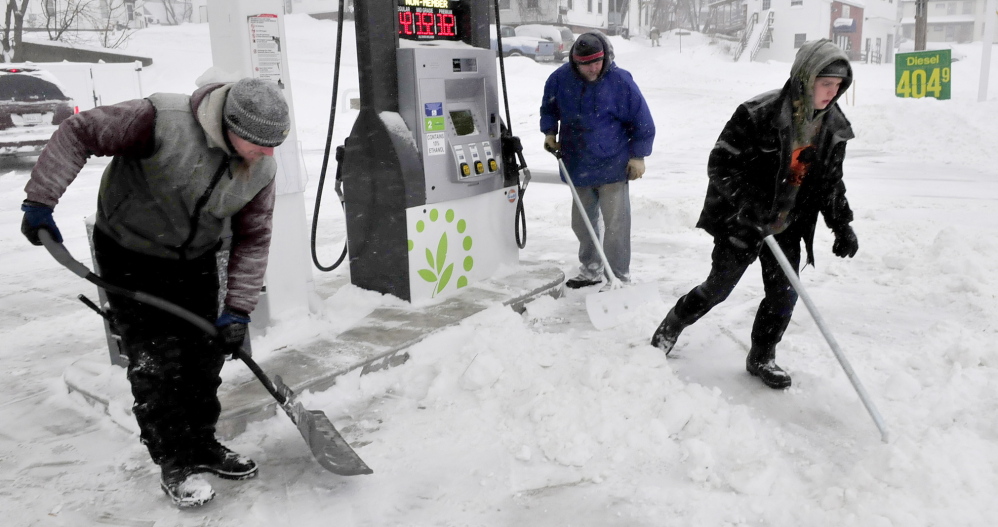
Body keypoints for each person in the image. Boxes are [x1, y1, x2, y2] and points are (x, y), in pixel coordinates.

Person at [19, 77, 290, 507]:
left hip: (195, 258)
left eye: (275, 144)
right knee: (156, 362)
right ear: (228, 124)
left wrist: (238, 310)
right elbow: (80, 131)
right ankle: (175, 462)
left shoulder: (262, 170)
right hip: (130, 252)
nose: (267, 153)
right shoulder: (161, 119)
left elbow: (254, 238)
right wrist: (40, 201)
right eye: (259, 142)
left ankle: (202, 445)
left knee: (203, 358)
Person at [649, 39, 859, 389]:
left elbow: (830, 183)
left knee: (784, 295)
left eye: (838, 86)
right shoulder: (758, 113)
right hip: (742, 221)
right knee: (718, 288)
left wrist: (842, 225)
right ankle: (673, 324)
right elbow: (721, 164)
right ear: (806, 78)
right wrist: (749, 205)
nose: (831, 93)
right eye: (825, 84)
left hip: (787, 224)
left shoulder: (833, 126)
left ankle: (762, 355)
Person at [540, 31, 656, 289]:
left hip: (613, 164)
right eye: (586, 64)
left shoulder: (620, 81)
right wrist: (550, 133)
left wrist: (638, 157)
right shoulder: (560, 79)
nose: (592, 68)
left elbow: (642, 121)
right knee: (582, 223)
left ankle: (618, 277)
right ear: (575, 62)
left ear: (605, 57)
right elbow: (549, 108)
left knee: (616, 225)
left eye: (597, 62)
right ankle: (590, 269)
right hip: (577, 163)